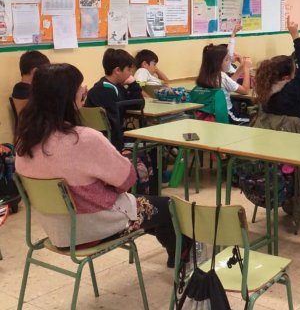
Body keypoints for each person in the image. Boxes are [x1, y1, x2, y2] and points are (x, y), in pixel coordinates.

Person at [14, 63, 187, 268]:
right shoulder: (84, 139)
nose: (84, 89)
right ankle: (182, 259)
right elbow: (127, 180)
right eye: (79, 86)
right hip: (91, 228)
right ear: (68, 96)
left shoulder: (24, 139)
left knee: (148, 207)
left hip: (56, 230)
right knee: (168, 206)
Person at [254, 17, 300, 133]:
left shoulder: (263, 91)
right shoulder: (292, 91)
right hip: (298, 138)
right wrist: (295, 36)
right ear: (286, 77)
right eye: (294, 71)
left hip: (271, 139)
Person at [85, 48, 144, 151]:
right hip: (111, 141)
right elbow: (114, 124)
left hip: (99, 138)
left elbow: (136, 105)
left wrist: (132, 85)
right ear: (117, 70)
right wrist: (134, 84)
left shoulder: (106, 86)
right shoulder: (107, 90)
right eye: (129, 70)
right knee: (152, 140)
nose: (130, 74)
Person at [195, 43, 251, 124]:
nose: (229, 62)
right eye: (227, 60)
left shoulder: (206, 75)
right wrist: (247, 69)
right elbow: (245, 90)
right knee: (252, 119)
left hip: (213, 114)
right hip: (227, 115)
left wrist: (240, 68)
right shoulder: (222, 76)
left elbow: (229, 84)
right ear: (217, 63)